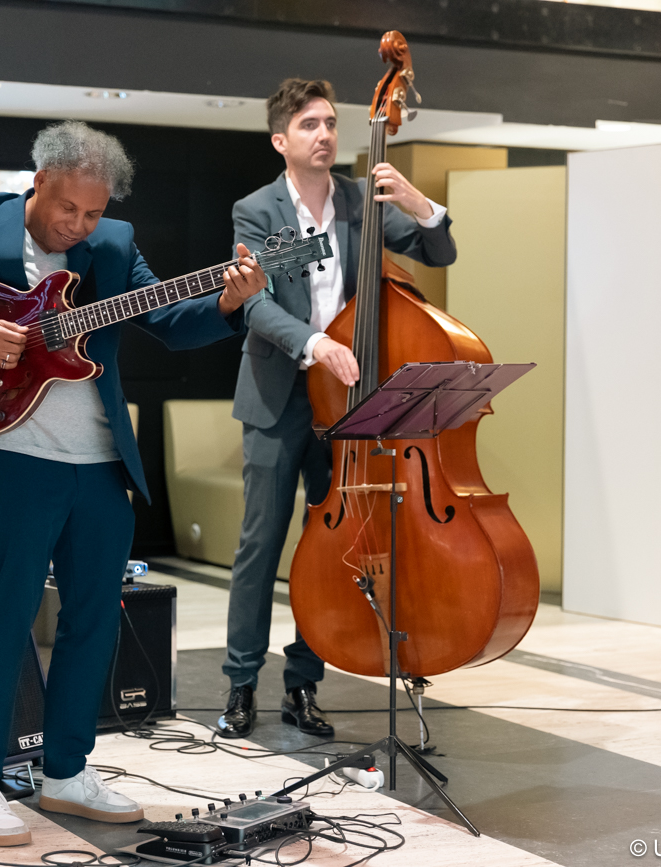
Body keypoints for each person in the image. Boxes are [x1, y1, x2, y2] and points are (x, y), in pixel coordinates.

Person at [0, 121, 265, 847]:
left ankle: (67, 769)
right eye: (68, 210)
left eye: (92, 213)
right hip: (16, 457)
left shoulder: (110, 245)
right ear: (39, 180)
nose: (79, 225)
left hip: (102, 465)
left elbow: (170, 322)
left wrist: (229, 303)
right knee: (9, 615)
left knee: (94, 618)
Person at [216, 78, 457, 739]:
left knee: (334, 546)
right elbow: (256, 304)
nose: (324, 134)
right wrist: (316, 343)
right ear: (280, 140)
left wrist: (418, 201)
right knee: (260, 545)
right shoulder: (256, 209)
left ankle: (304, 684)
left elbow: (442, 251)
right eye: (308, 125)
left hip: (349, 398)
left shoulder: (360, 199)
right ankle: (240, 684)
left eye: (329, 123)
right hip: (280, 392)